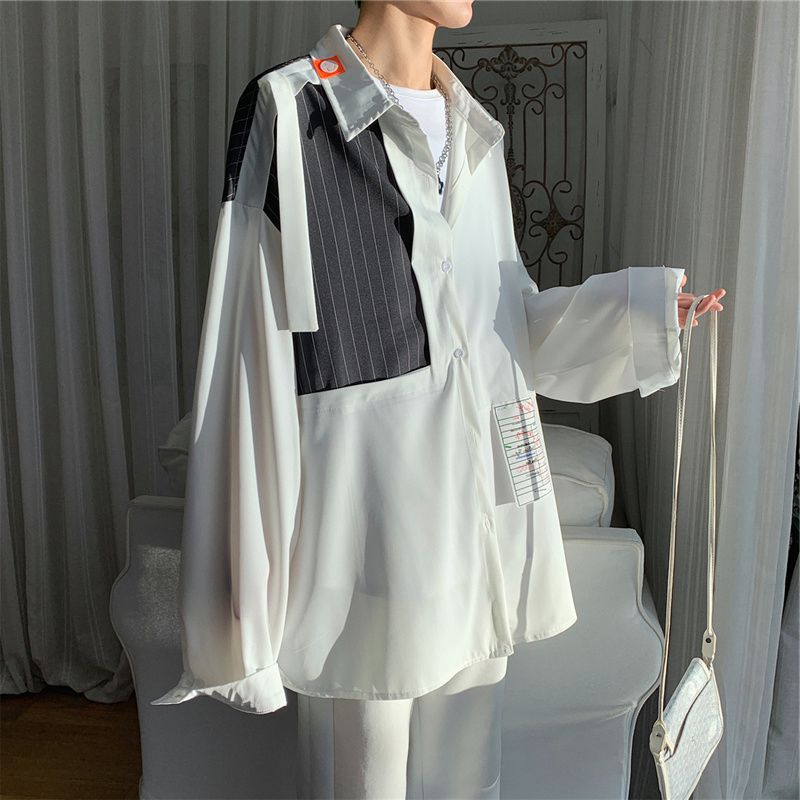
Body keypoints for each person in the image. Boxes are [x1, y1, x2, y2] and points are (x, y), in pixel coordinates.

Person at [152, 2, 726, 798]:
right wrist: (235, 609)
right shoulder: (290, 111)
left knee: (468, 778)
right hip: (367, 537)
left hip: (479, 524)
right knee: (362, 779)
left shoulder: (473, 129)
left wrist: (643, 314)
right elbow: (243, 359)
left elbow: (506, 325)